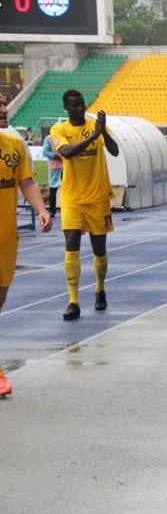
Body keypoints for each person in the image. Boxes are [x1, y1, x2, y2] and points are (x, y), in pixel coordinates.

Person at [51, 89, 120, 320]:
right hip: (72, 198)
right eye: (74, 105)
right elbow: (66, 152)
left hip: (98, 197)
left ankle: (100, 289)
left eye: (82, 104)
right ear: (66, 108)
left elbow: (114, 151)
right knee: (71, 244)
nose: (80, 109)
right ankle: (73, 301)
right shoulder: (59, 130)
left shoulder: (96, 126)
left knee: (99, 249)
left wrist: (103, 132)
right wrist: (93, 137)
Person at [0, 93, 53, 395]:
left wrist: (41, 210)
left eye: (4, 103)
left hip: (7, 239)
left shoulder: (14, 145)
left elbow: (26, 182)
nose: (4, 109)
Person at [42, 128, 62, 217]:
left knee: (69, 189)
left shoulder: (64, 137)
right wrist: (54, 155)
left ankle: (69, 209)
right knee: (53, 190)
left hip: (67, 167)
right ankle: (52, 210)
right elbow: (45, 152)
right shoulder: (49, 138)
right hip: (54, 167)